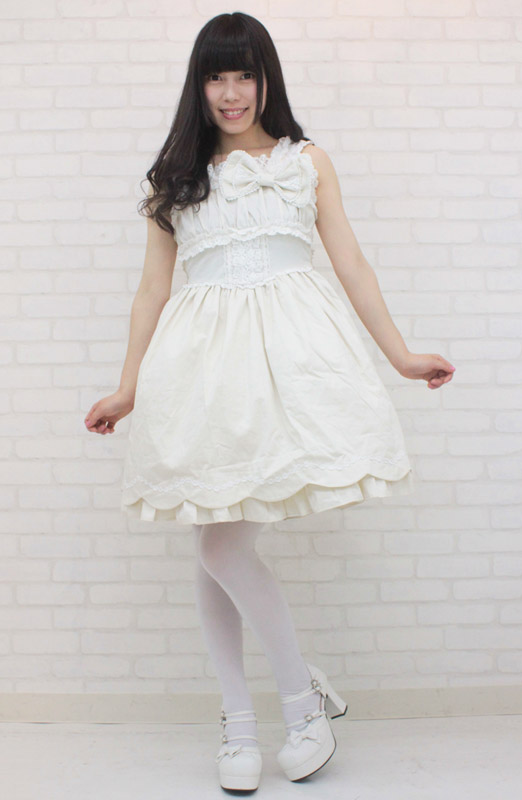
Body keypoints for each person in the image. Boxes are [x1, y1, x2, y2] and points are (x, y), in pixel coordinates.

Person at [84, 11, 456, 792]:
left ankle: (298, 704)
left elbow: (350, 264)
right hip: (203, 370)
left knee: (220, 548)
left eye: (244, 75)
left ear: (265, 80)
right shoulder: (175, 179)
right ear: (198, 86)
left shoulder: (305, 162)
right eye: (216, 77)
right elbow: (152, 290)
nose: (231, 92)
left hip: (291, 364)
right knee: (212, 539)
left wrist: (400, 355)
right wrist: (129, 386)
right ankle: (243, 721)